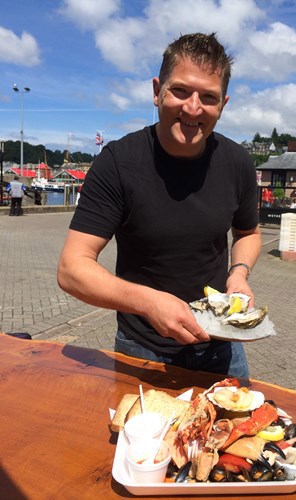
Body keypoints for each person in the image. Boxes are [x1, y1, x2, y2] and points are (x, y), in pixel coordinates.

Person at [57, 32, 261, 379]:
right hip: (143, 349)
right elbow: (71, 269)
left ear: (223, 104)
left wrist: (238, 274)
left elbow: (248, 232)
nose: (193, 108)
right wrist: (149, 303)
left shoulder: (237, 162)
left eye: (208, 97)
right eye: (180, 90)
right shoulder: (119, 162)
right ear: (157, 91)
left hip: (221, 345)